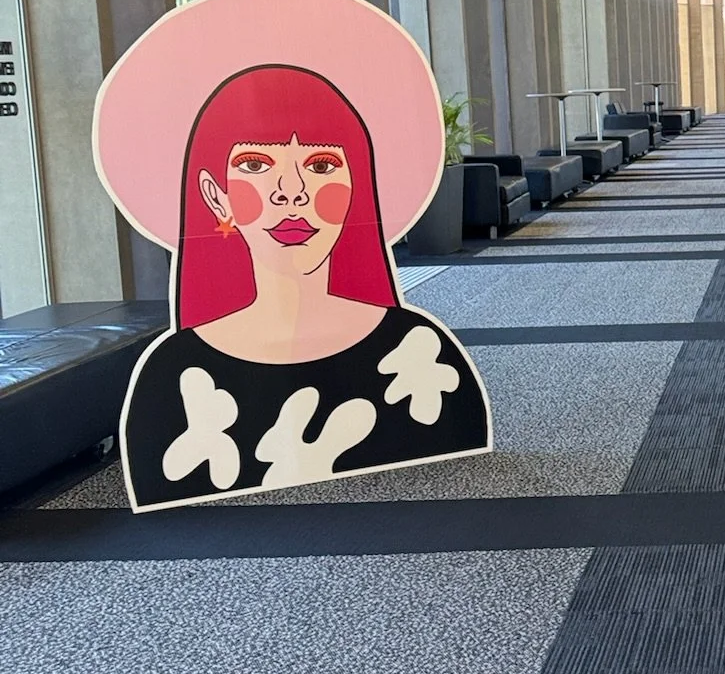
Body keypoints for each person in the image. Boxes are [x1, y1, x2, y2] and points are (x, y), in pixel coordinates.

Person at [119, 62, 489, 509]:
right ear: (217, 196)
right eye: (255, 164)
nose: (291, 192)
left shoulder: (417, 351)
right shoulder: (173, 374)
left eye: (321, 164)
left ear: (357, 187)